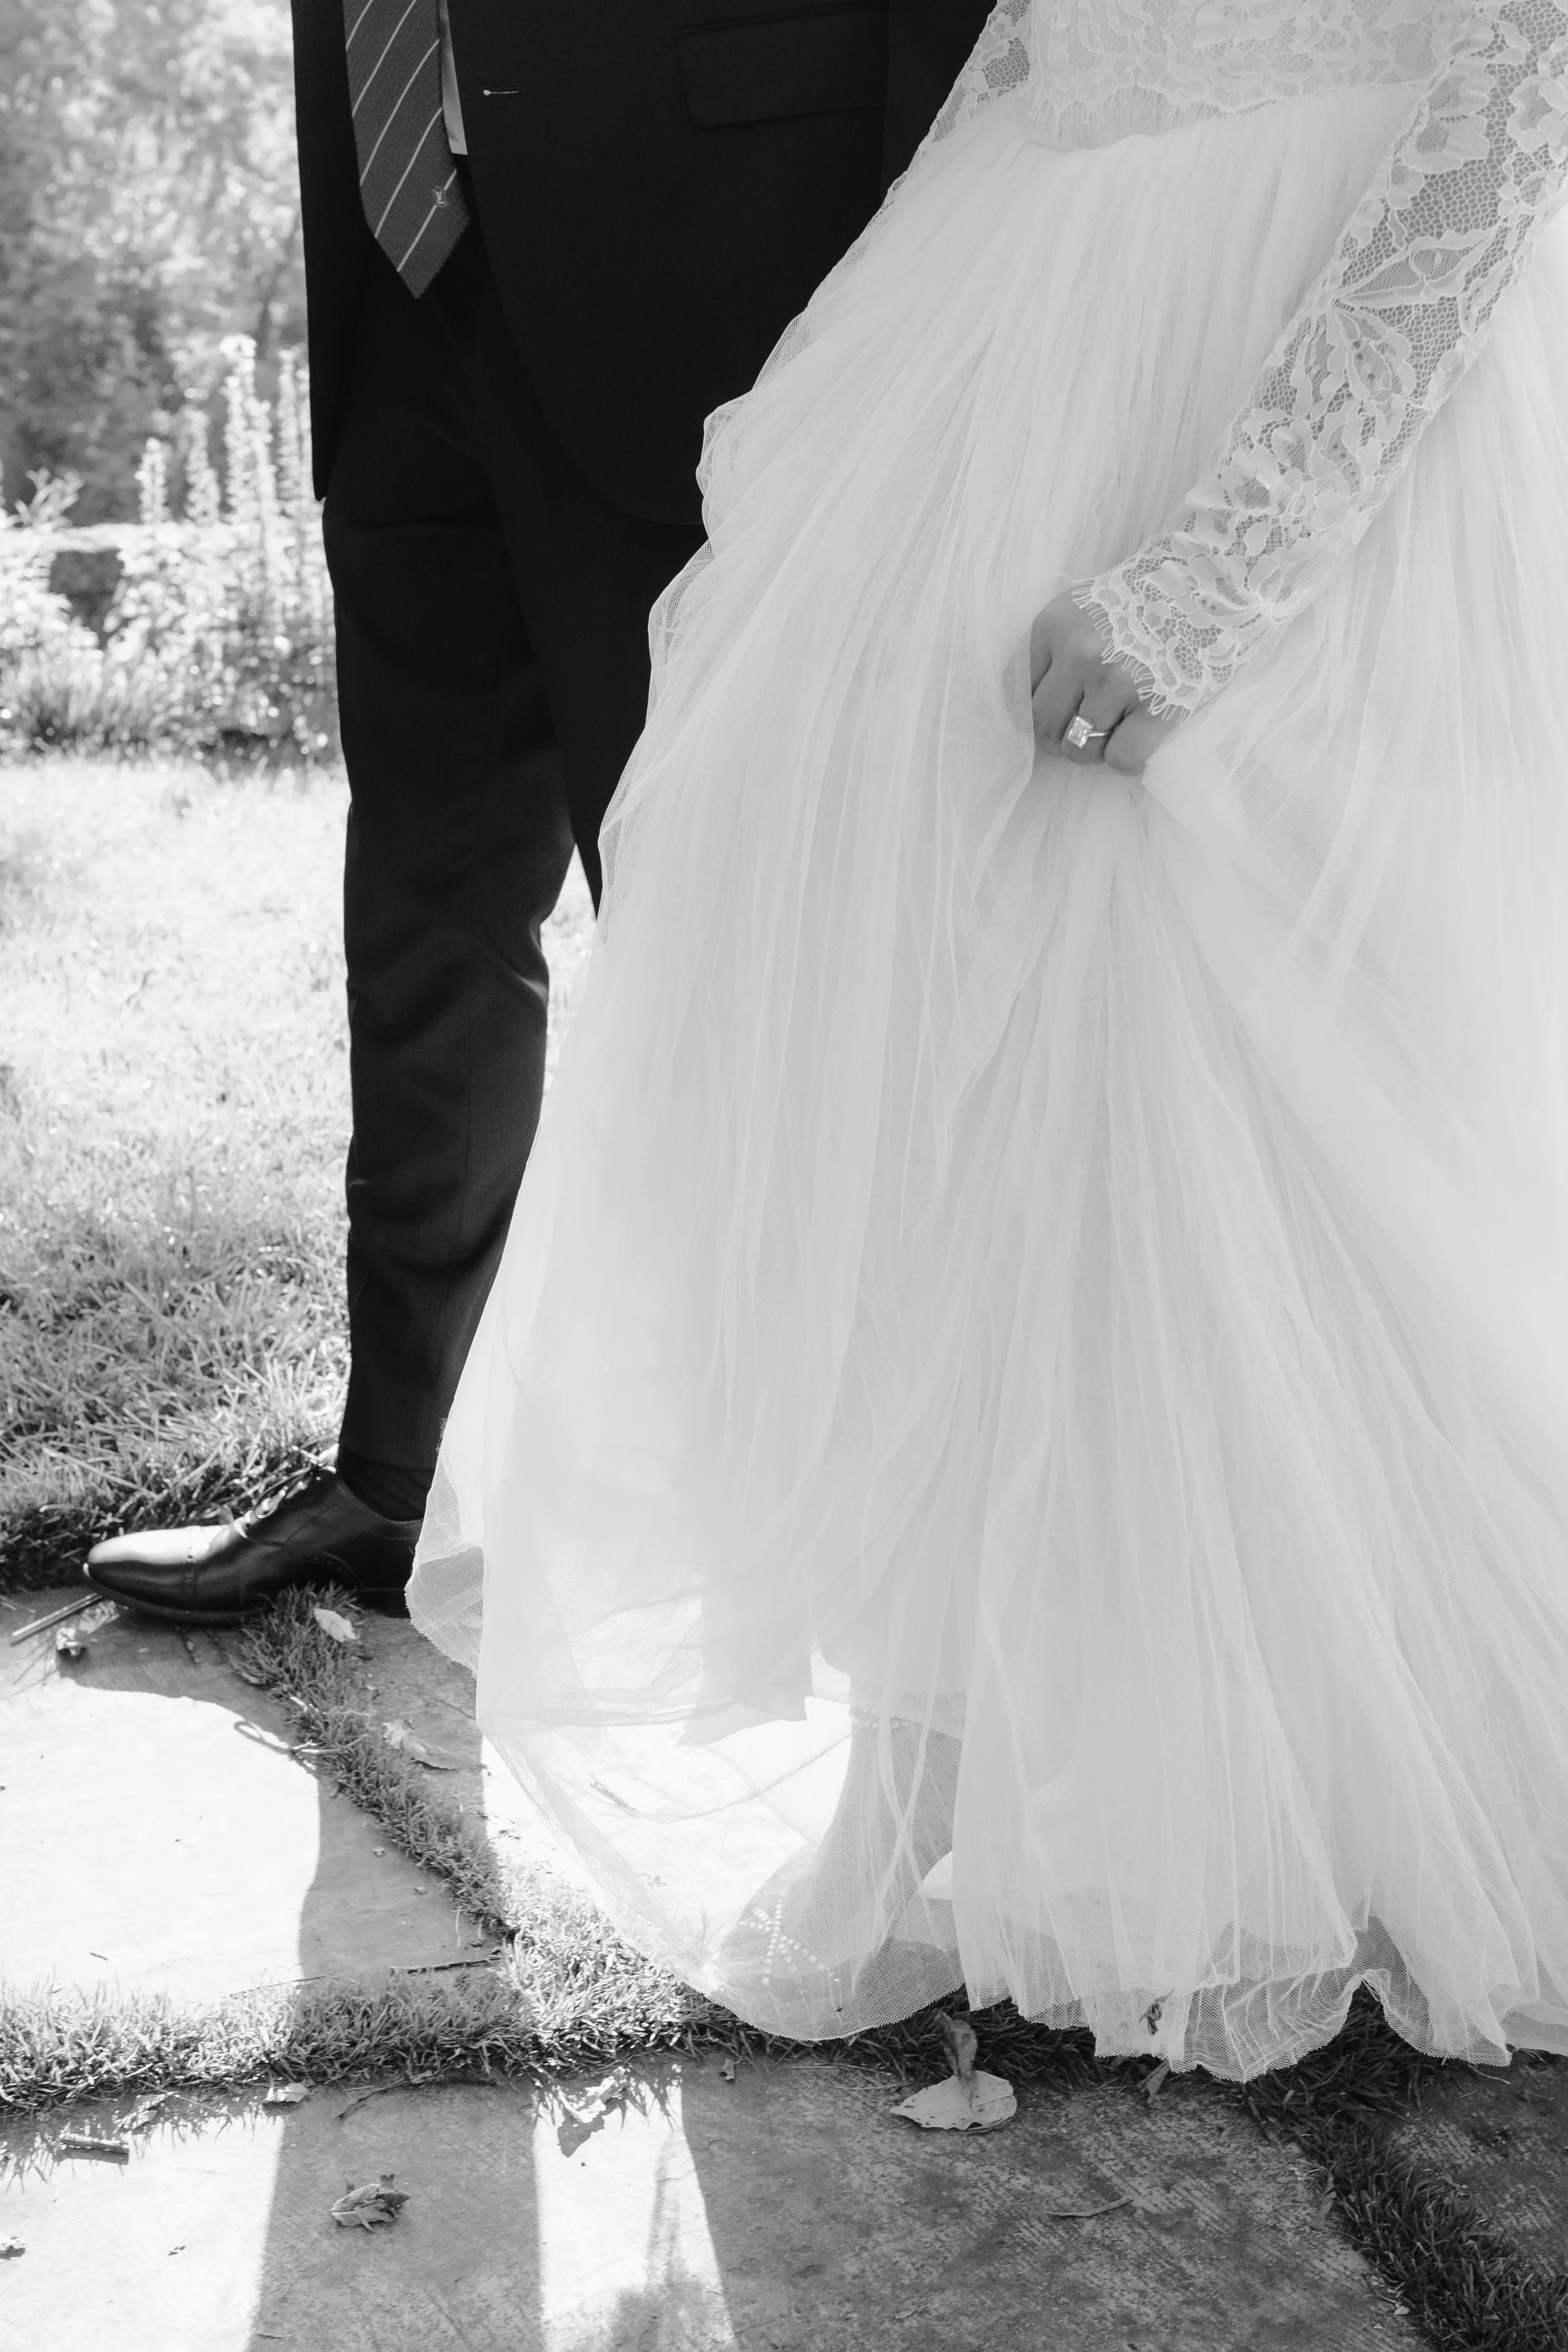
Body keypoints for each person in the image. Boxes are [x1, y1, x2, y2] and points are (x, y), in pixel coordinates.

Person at [405, 0, 1568, 2079]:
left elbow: (1519, 74)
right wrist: (860, 407)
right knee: (932, 1046)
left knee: (1213, 1038)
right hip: (1020, 300)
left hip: (1300, 322)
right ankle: (934, 1779)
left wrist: (1228, 553)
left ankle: (1360, 1792)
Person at [83, 0, 993, 1623]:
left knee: (729, 931)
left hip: (712, 273)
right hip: (404, 282)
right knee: (423, 905)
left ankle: (869, 1535)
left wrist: (935, 259)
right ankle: (393, 1479)